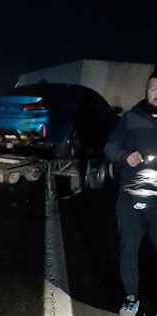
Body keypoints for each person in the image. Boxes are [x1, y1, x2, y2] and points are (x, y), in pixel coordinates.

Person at [105, 70, 157, 316]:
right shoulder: (131, 118)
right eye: (153, 89)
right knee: (128, 248)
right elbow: (110, 147)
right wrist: (126, 156)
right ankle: (131, 297)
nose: (156, 93)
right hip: (131, 196)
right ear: (146, 91)